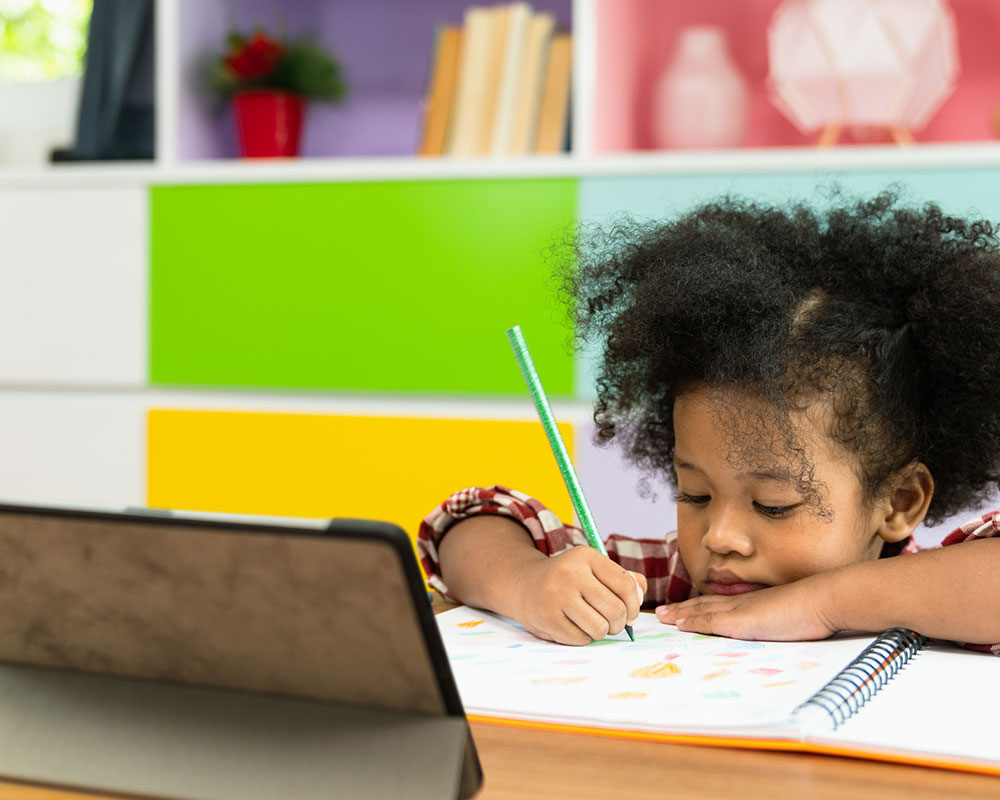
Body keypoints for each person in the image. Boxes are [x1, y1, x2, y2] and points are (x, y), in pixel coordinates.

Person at [417, 191, 1000, 652]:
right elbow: (474, 522)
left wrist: (823, 603)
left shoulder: (945, 589)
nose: (718, 537)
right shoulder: (673, 582)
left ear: (898, 502)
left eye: (772, 505)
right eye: (695, 493)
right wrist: (526, 584)